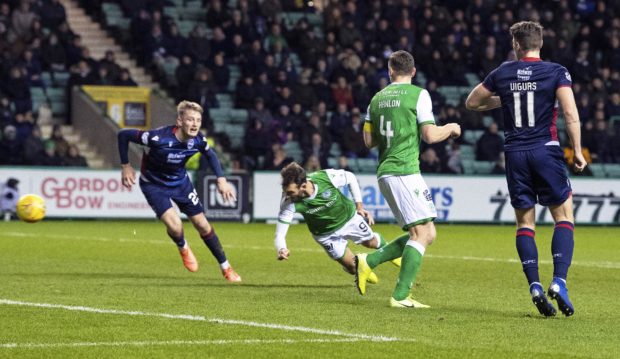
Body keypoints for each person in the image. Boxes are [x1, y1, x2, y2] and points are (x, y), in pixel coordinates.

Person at [465, 21, 586, 317]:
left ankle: (534, 285)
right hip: (546, 149)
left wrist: (504, 100)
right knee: (563, 215)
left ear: (517, 45)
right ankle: (558, 281)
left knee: (525, 223)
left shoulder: (503, 72)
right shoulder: (556, 71)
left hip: (515, 153)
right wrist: (579, 150)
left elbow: (472, 102)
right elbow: (569, 112)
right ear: (540, 43)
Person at [356, 50, 461, 308]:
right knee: (422, 234)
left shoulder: (376, 99)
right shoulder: (419, 95)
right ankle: (401, 296)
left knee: (427, 232)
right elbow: (430, 135)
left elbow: (368, 142)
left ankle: (368, 261)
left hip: (388, 171)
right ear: (413, 71)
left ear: (390, 71)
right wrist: (451, 128)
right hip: (403, 170)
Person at [117, 101, 242, 282]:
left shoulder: (198, 139)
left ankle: (226, 268)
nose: (195, 124)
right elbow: (123, 135)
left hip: (181, 184)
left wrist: (221, 181)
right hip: (154, 185)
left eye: (198, 120)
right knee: (175, 226)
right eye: (190, 119)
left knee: (203, 225)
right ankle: (183, 246)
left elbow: (211, 154)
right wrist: (126, 166)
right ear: (179, 121)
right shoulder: (157, 138)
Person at [274, 162, 400, 282]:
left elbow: (350, 177)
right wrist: (282, 248)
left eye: (290, 192)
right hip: (325, 235)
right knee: (352, 268)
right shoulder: (288, 203)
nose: (287, 195)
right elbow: (280, 234)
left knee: (370, 242)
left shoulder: (325, 177)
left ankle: (389, 249)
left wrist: (359, 206)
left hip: (349, 219)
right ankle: (358, 268)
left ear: (303, 185)